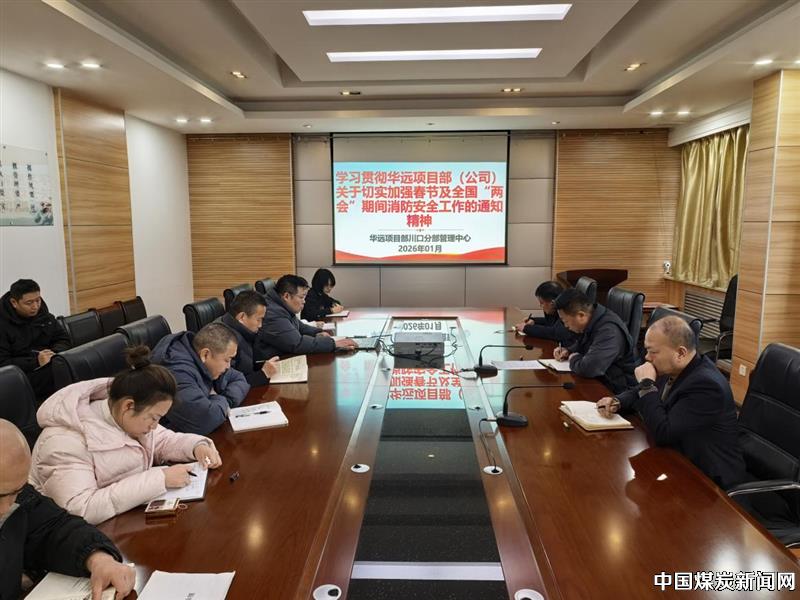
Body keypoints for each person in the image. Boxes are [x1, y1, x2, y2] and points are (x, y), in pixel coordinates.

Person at [29, 346, 222, 525]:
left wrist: (197, 446)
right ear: (128, 406)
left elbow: (162, 441)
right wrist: (159, 479)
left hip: (123, 518)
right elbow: (80, 508)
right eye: (153, 418)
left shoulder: (124, 415)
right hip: (80, 535)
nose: (155, 426)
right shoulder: (64, 442)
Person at [597, 316, 746, 489]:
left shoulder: (706, 385)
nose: (647, 357)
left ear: (680, 353)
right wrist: (618, 401)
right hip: (678, 460)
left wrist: (646, 384)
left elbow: (664, 433)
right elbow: (639, 392)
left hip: (709, 482)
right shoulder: (675, 367)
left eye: (653, 352)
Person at [0, 419, 135, 600]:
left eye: (16, 491)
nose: (6, 507)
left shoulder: (16, 495)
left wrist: (97, 558)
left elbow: (53, 527)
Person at [152, 323, 249, 435]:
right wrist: (222, 403)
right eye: (227, 360)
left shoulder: (200, 356)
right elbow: (203, 420)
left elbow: (239, 378)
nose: (228, 366)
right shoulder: (176, 372)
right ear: (205, 354)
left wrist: (224, 401)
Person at [552, 288, 637, 393]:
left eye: (565, 321)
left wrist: (573, 358)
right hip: (602, 381)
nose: (565, 326)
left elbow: (589, 369)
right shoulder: (594, 318)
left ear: (581, 315)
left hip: (618, 391)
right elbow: (587, 343)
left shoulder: (609, 331)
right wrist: (568, 350)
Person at [0, 279, 71, 402]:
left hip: (50, 364)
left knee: (74, 363)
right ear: (14, 302)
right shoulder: (3, 325)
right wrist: (36, 361)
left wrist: (53, 354)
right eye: (29, 303)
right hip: (22, 376)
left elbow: (63, 338)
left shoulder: (44, 316)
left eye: (38, 300)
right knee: (61, 374)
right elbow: (3, 363)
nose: (35, 306)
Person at [258, 275, 356, 359]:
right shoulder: (272, 313)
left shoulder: (281, 306)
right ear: (286, 296)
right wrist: (334, 344)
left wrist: (317, 332)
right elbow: (298, 344)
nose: (304, 301)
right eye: (301, 297)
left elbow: (299, 326)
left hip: (284, 354)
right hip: (271, 362)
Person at [217, 290, 279, 387]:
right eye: (258, 319)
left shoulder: (243, 331)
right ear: (242, 317)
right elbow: (226, 386)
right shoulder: (224, 339)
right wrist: (263, 374)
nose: (260, 325)